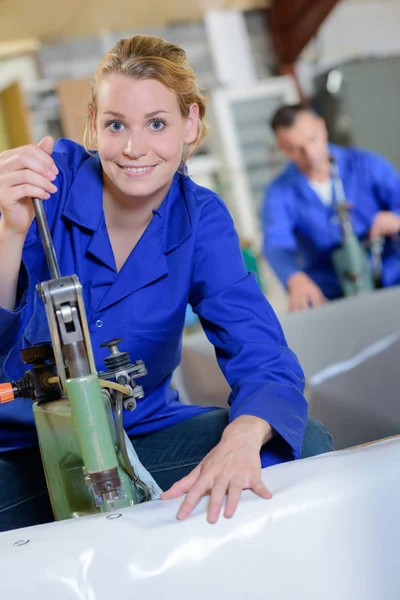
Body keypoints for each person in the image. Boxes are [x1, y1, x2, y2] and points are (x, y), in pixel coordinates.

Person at [0, 36, 332, 533]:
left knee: (301, 443)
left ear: (191, 122)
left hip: (138, 434)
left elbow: (260, 353)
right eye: (116, 125)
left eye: (157, 123)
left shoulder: (200, 218)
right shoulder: (45, 187)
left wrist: (241, 439)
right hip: (19, 447)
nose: (135, 149)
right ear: (93, 122)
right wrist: (7, 233)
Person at [262, 104, 400, 311]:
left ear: (322, 127)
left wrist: (396, 218)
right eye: (295, 149)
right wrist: (294, 277)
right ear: (282, 148)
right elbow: (276, 243)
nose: (309, 154)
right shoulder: (279, 193)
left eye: (312, 140)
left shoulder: (366, 164)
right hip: (333, 295)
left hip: (391, 279)